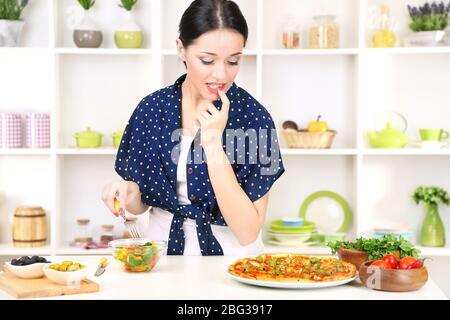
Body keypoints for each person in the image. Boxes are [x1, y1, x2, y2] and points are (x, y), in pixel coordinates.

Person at [102, 0, 285, 256]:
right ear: (181, 49)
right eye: (207, 60)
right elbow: (140, 205)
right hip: (162, 255)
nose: (221, 75)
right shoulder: (152, 109)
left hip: (232, 259)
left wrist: (212, 145)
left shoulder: (254, 119)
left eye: (233, 61)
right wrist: (126, 192)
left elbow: (247, 231)